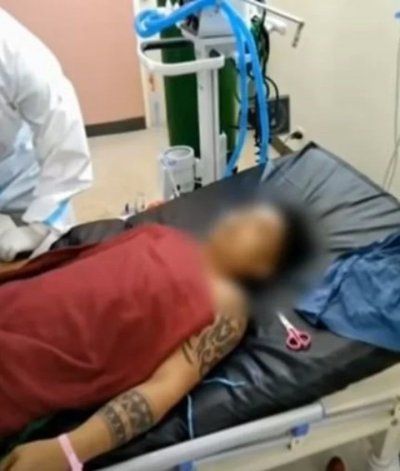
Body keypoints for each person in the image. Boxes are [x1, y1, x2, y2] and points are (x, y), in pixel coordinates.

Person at [0, 203, 312, 470]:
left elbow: (160, 390)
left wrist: (68, 450)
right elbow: (63, 273)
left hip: (24, 371)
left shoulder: (228, 311)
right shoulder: (161, 234)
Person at [0, 8, 93, 262]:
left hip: (23, 182)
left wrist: (38, 228)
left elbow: (64, 133)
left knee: (54, 267)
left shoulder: (11, 48)